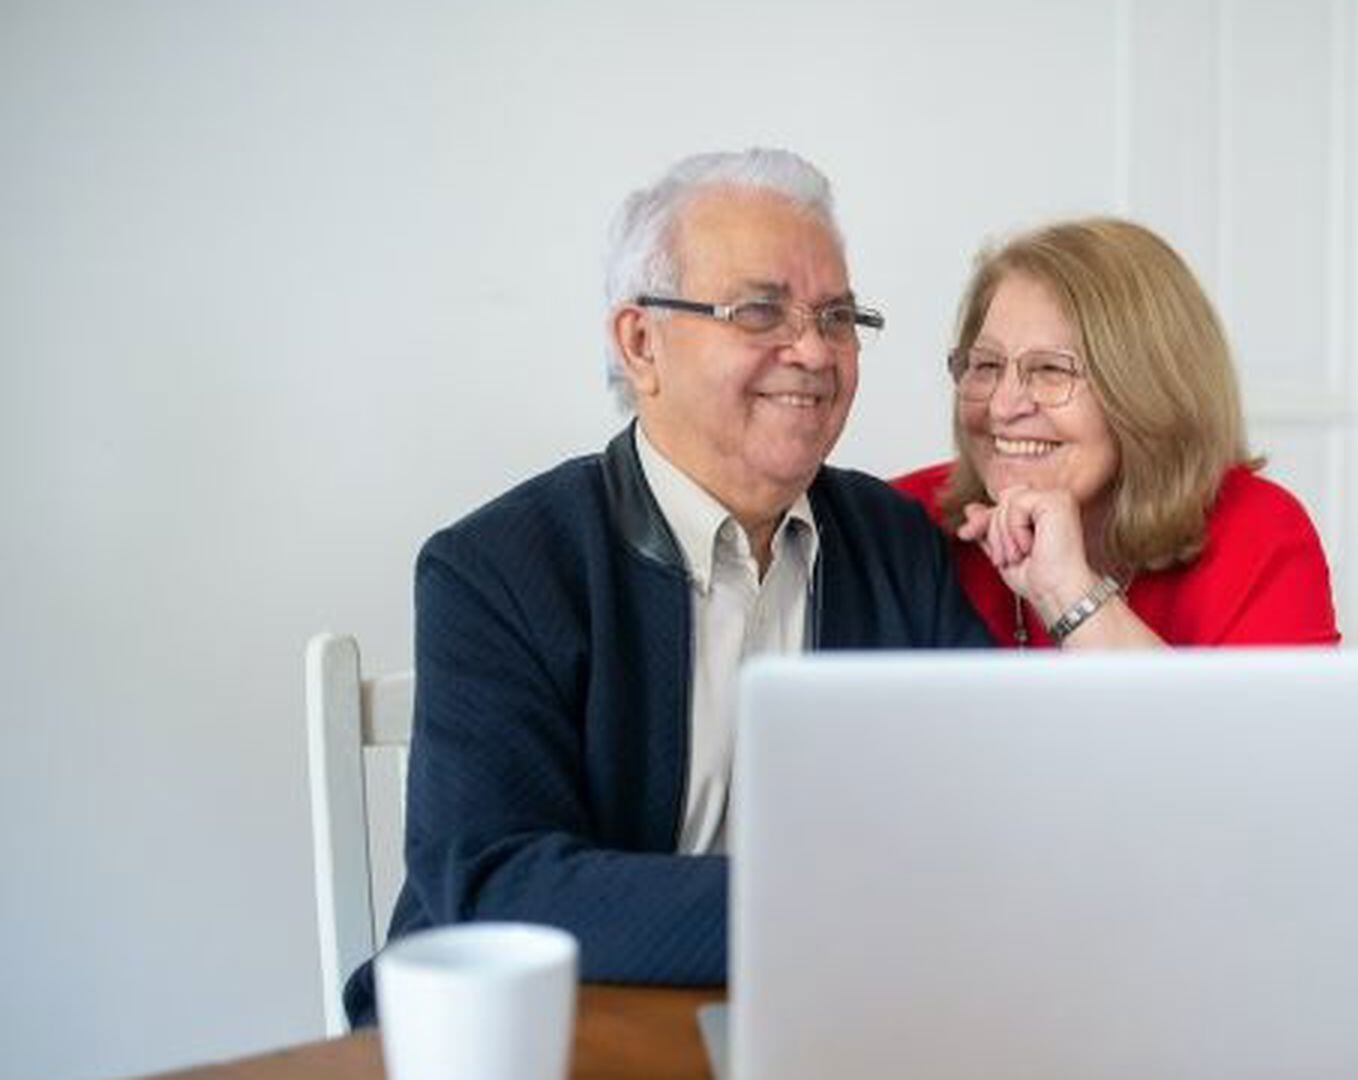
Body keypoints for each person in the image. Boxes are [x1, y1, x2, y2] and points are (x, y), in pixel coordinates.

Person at [344, 148, 989, 1027]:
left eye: (837, 317)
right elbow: (497, 883)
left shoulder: (894, 544)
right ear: (641, 343)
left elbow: (993, 809)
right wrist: (826, 911)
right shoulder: (495, 569)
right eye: (760, 310)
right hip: (545, 1033)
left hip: (819, 1019)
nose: (813, 351)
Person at [894, 217, 1339, 649]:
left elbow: (1263, 728)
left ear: (1148, 392)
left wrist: (1068, 592)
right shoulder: (897, 525)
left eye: (1050, 369)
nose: (1002, 406)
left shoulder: (1257, 535)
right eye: (986, 366)